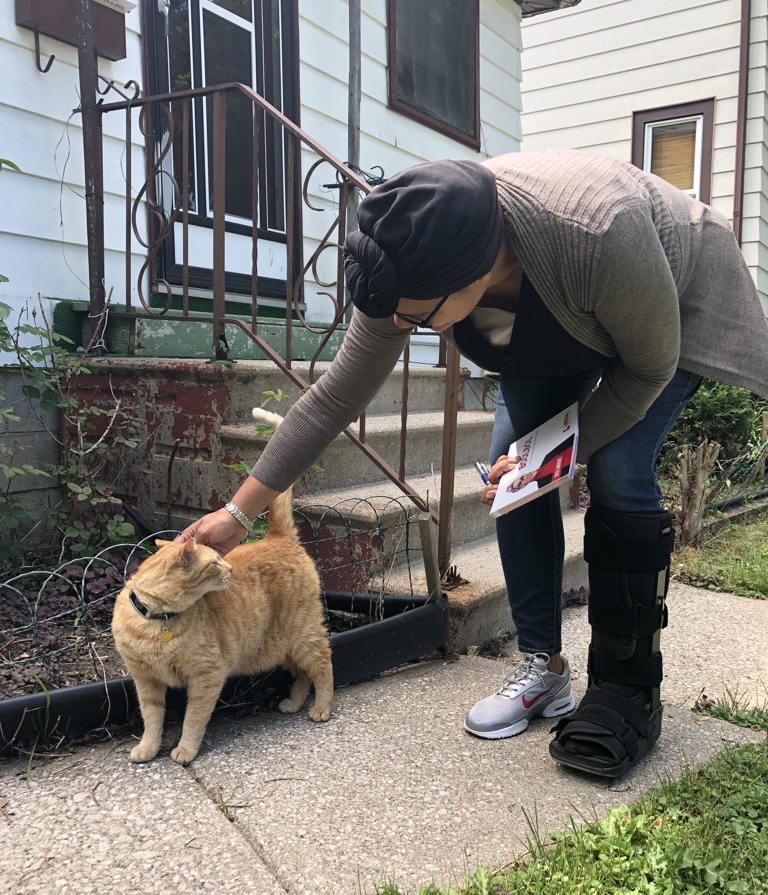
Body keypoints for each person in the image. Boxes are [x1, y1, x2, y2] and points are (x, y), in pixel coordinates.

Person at [177, 149, 768, 779]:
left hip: (667, 289)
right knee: (511, 476)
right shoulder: (411, 253)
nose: (402, 327)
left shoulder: (596, 231)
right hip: (558, 319)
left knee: (618, 465)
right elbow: (332, 398)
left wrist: (561, 459)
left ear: (474, 273)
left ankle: (627, 689)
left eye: (416, 318)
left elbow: (647, 370)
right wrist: (238, 513)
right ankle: (543, 669)